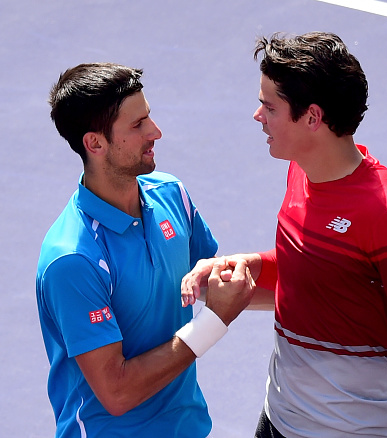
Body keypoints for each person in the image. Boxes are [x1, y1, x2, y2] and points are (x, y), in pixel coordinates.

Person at [182, 32, 387, 438]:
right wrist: (239, 271)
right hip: (280, 419)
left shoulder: (385, 216)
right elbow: (315, 276)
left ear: (312, 117)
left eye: (269, 106)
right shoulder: (301, 170)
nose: (257, 116)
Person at [36, 62, 255, 438]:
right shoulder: (73, 259)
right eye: (137, 125)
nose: (155, 132)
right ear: (95, 143)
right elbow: (116, 392)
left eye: (148, 117)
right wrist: (212, 323)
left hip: (189, 428)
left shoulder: (172, 195)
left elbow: (217, 286)